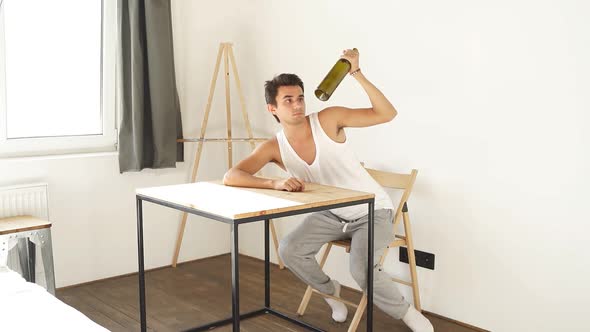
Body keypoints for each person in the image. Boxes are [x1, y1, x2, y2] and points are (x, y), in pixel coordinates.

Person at [223, 49, 433, 332]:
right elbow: (232, 175)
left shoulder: (328, 119)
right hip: (331, 214)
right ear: (272, 108)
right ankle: (330, 293)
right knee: (290, 249)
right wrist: (273, 182)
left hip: (371, 210)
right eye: (288, 100)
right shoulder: (274, 147)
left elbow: (387, 113)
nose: (297, 105)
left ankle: (408, 314)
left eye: (300, 98)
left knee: (360, 269)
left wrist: (356, 73)